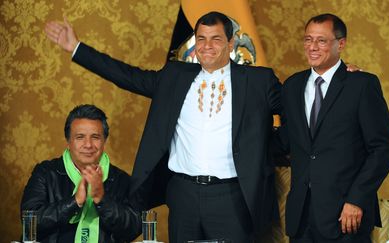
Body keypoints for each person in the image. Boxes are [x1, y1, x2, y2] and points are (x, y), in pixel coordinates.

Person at [45, 12, 281, 242]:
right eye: (201, 38)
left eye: (216, 39)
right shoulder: (175, 76)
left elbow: (295, 115)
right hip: (183, 195)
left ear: (230, 43)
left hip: (232, 197)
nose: (207, 45)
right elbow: (127, 76)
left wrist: (271, 148)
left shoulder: (258, 81)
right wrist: (76, 47)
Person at [276, 13, 389, 242]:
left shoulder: (361, 85)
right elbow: (288, 141)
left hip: (346, 216)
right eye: (308, 39)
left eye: (321, 41)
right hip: (302, 217)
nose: (312, 47)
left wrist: (357, 199)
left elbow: (383, 148)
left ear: (340, 44)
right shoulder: (292, 86)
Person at [21, 104, 140, 243]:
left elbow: (133, 229)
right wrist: (75, 202)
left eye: (95, 137)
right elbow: (29, 223)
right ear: (68, 142)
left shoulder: (122, 179)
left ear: (104, 141)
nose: (88, 145)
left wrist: (101, 199)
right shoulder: (45, 172)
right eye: (80, 137)